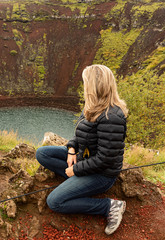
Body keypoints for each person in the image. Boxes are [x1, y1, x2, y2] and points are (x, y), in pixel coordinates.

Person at [36, 64, 128, 235]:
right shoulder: (91, 106)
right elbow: (81, 134)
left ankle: (110, 206)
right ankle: (77, 184)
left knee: (55, 202)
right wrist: (71, 149)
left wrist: (76, 170)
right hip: (85, 159)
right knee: (42, 153)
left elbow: (105, 159)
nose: (84, 87)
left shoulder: (112, 116)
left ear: (95, 86)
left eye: (86, 83)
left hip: (101, 174)